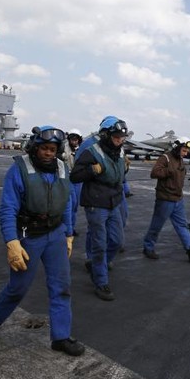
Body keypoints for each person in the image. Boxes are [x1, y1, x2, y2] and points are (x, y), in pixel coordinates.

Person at [0, 125, 85, 356]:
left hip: (56, 233)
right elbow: (8, 209)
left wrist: (68, 233)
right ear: (35, 147)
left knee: (61, 287)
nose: (49, 153)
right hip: (28, 233)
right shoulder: (18, 170)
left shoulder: (61, 169)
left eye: (53, 149)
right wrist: (12, 241)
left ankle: (60, 336)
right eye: (44, 148)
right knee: (18, 288)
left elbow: (66, 202)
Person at [70, 116, 128, 301]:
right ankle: (100, 281)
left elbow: (117, 172)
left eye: (122, 137)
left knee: (117, 241)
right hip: (96, 204)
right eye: (117, 137)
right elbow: (75, 176)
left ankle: (98, 265)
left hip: (114, 200)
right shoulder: (91, 151)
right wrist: (92, 171)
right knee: (99, 244)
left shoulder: (119, 151)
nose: (120, 140)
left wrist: (124, 169)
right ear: (107, 135)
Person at [142, 138, 190, 262]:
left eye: (187, 151)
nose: (185, 153)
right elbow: (154, 173)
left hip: (178, 199)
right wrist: (169, 171)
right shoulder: (165, 158)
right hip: (165, 199)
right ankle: (148, 247)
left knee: (182, 225)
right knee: (157, 225)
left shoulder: (180, 160)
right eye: (183, 150)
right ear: (176, 148)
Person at [62, 128, 83, 236]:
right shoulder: (63, 148)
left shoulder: (82, 149)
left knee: (75, 206)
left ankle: (71, 227)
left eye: (76, 139)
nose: (74, 141)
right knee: (70, 204)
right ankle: (67, 229)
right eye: (72, 139)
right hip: (67, 178)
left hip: (78, 179)